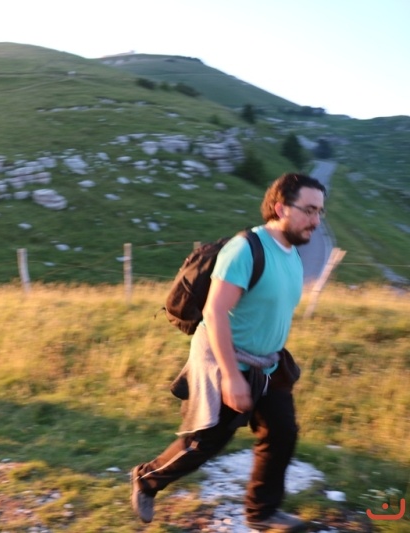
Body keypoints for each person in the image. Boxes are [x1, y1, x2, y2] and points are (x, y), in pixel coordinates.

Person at [130, 173, 327, 532]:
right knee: (204, 443)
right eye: (309, 210)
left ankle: (262, 513)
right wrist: (232, 378)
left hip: (268, 366)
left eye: (320, 212)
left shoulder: (292, 254)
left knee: (282, 433)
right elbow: (215, 313)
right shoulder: (245, 250)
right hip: (228, 365)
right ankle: (146, 479)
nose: (316, 220)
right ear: (281, 207)